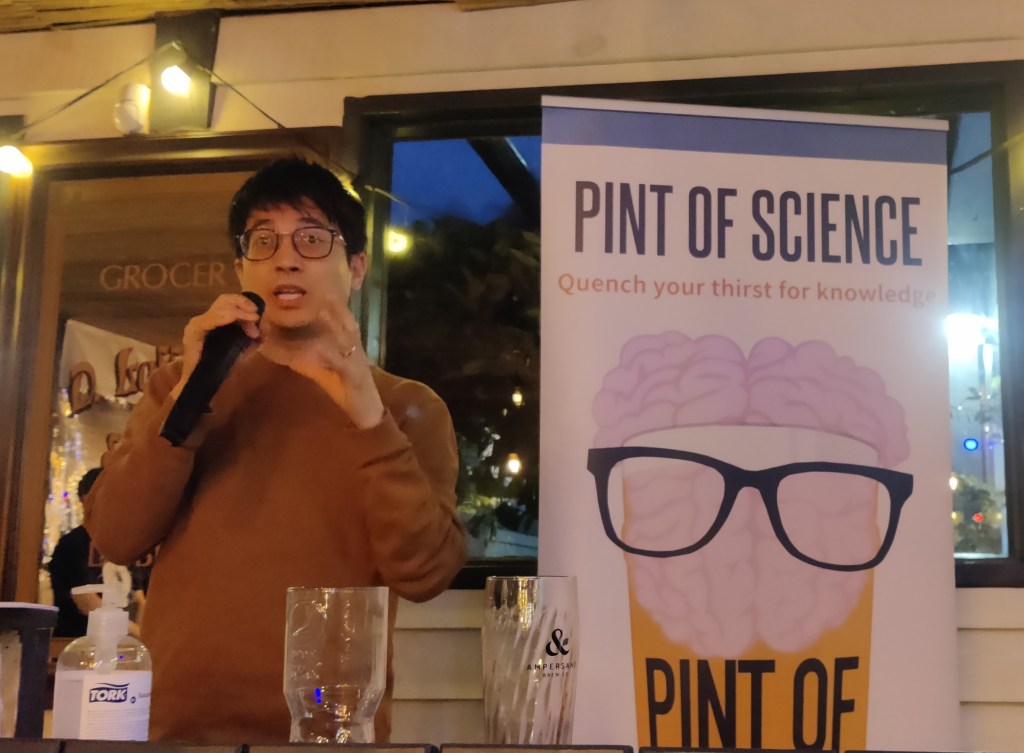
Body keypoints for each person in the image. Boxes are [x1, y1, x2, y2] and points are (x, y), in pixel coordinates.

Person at [83, 157, 467, 744]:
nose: (286, 258)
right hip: (175, 732)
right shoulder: (179, 387)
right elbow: (116, 534)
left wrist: (367, 413)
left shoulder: (408, 407)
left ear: (357, 267)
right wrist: (193, 393)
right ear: (241, 267)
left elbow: (426, 572)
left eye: (313, 239)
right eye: (264, 241)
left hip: (327, 735)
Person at [49, 468, 148, 638]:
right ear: (86, 500)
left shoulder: (126, 542)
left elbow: (139, 598)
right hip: (79, 645)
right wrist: (141, 636)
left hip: (126, 647)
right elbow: (88, 603)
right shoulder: (73, 544)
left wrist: (147, 636)